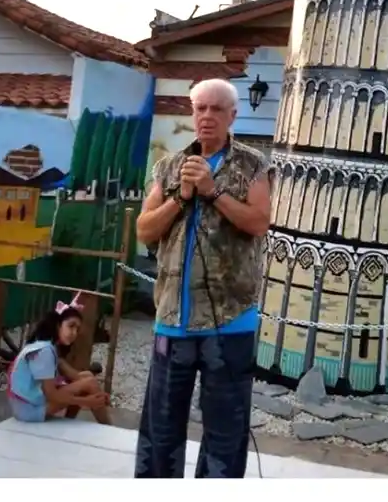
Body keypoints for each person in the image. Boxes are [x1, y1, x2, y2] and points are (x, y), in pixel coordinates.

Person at [133, 78, 271, 479]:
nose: (207, 117)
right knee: (160, 429)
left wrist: (212, 192)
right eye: (200, 109)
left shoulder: (253, 165)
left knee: (225, 432)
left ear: (232, 115)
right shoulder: (170, 166)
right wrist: (182, 197)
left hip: (230, 320)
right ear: (192, 113)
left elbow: (259, 222)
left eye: (216, 109)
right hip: (172, 318)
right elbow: (144, 230)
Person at [7, 295, 113, 424]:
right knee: (88, 383)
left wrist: (99, 395)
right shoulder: (44, 351)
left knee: (87, 376)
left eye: (77, 329)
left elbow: (77, 377)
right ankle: (108, 426)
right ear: (58, 325)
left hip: (29, 405)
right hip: (29, 411)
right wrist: (87, 401)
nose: (74, 333)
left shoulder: (47, 347)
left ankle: (69, 421)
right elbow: (53, 395)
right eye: (71, 326)